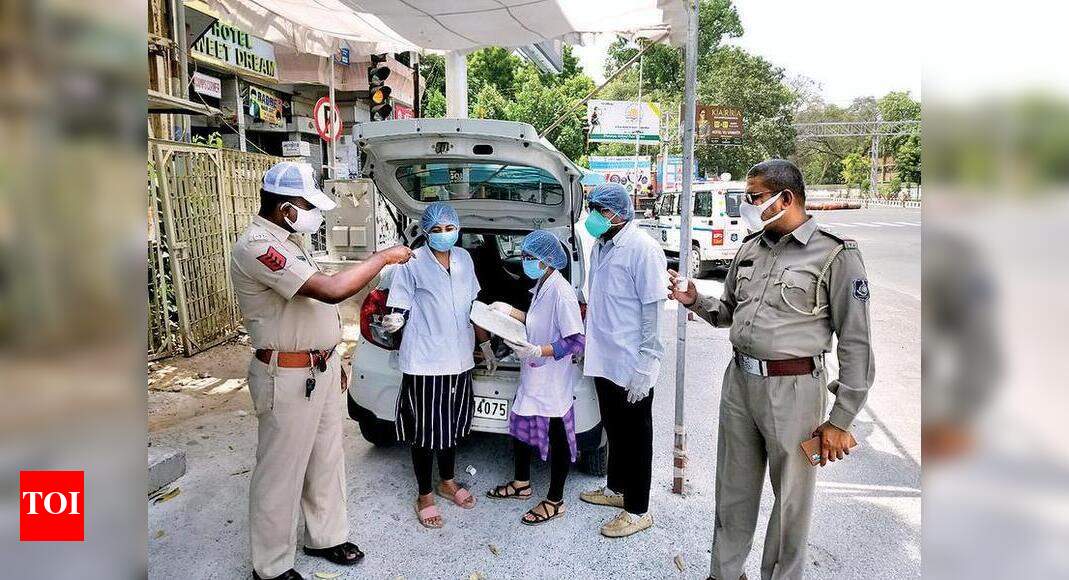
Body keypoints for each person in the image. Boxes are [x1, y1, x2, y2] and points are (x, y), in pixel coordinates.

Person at [667, 159, 875, 580]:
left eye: (754, 197)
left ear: (786, 198)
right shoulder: (749, 248)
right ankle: (724, 574)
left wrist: (841, 418)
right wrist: (694, 300)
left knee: (791, 500)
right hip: (740, 383)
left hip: (794, 388)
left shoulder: (835, 253)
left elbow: (857, 343)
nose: (747, 204)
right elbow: (727, 311)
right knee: (733, 490)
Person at [230, 161, 413, 580]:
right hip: (287, 376)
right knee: (281, 471)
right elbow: (330, 291)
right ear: (284, 208)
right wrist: (383, 257)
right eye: (307, 205)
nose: (313, 214)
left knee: (326, 458)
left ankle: (325, 536)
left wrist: (333, 359)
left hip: (319, 369)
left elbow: (311, 300)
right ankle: (271, 565)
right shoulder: (258, 246)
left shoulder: (291, 241)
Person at [380, 202, 498, 528]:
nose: (444, 234)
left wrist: (485, 343)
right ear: (426, 231)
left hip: (460, 358)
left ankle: (447, 482)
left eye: (450, 228)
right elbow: (399, 306)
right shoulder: (411, 262)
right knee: (425, 432)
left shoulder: (464, 258)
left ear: (458, 229)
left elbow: (473, 305)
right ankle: (424, 495)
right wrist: (394, 321)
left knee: (450, 428)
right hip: (426, 361)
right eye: (436, 230)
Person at [578, 183, 667, 538]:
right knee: (613, 429)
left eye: (599, 210)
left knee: (636, 437)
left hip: (632, 364)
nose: (593, 217)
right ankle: (615, 489)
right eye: (592, 209)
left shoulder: (642, 249)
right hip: (604, 359)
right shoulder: (601, 246)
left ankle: (638, 509)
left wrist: (646, 366)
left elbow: (653, 311)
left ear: (619, 213)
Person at [484, 230, 585, 525]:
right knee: (520, 425)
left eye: (530, 257)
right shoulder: (542, 284)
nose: (525, 261)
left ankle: (555, 500)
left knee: (557, 435)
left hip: (551, 379)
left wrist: (539, 350)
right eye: (525, 256)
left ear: (547, 261)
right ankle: (522, 484)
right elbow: (536, 320)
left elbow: (577, 341)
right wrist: (509, 312)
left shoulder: (562, 292)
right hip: (533, 374)